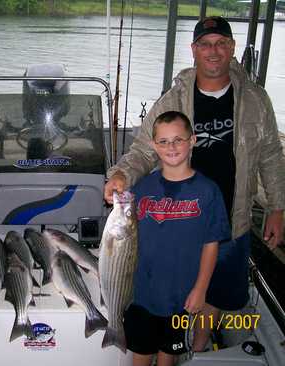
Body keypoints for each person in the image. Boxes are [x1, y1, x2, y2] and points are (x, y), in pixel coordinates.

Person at [105, 16, 285, 350]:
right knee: (177, 292)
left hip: (234, 221)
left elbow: (271, 156)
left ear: (231, 49)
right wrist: (121, 175)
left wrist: (277, 206)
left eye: (221, 43)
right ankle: (172, 342)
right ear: (194, 51)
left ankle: (199, 348)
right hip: (179, 224)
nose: (213, 51)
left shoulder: (257, 99)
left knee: (216, 293)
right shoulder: (171, 100)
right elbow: (143, 152)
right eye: (205, 44)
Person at [124, 111, 230, 366]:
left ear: (192, 140)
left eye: (178, 139)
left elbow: (211, 244)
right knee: (139, 356)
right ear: (153, 145)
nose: (171, 147)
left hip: (181, 296)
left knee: (168, 356)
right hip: (141, 295)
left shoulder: (208, 191)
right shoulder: (140, 189)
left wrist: (201, 289)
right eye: (163, 141)